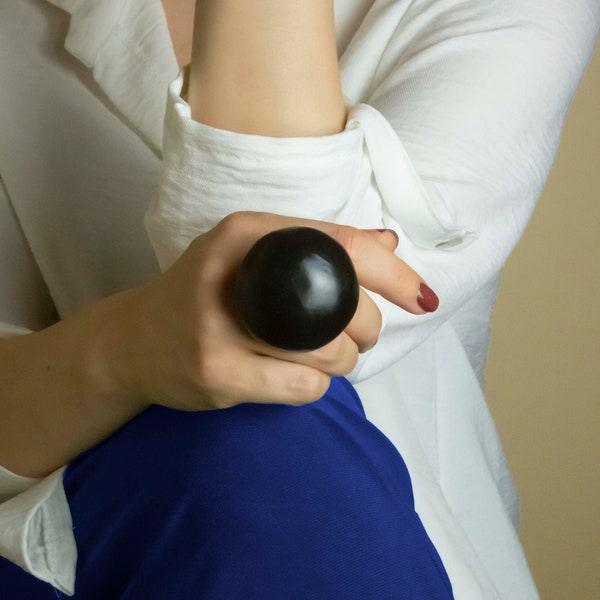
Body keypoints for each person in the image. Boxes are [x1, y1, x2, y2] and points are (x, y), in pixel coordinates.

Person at [0, 0, 597, 597]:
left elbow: (287, 340)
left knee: (260, 442)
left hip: (343, 548)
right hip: (47, 547)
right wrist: (118, 354)